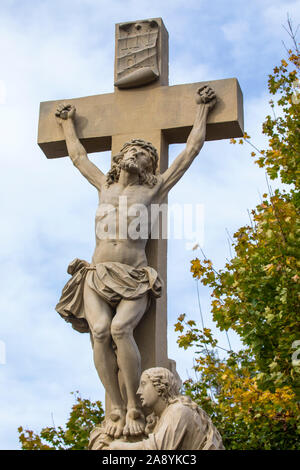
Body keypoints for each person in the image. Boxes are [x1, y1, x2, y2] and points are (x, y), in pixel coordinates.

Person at [55, 86, 216, 439]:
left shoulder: (153, 189)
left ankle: (132, 405)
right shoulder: (104, 186)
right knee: (99, 333)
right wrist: (68, 125)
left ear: (149, 167)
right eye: (132, 151)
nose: (137, 156)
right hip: (97, 274)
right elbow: (79, 157)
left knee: (119, 330)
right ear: (120, 159)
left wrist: (202, 110)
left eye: (144, 155)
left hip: (133, 276)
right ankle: (113, 405)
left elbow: (189, 151)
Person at [100, 367, 224, 450]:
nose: (138, 392)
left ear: (161, 386)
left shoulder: (179, 410)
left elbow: (158, 449)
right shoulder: (162, 417)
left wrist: (118, 447)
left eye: (143, 384)